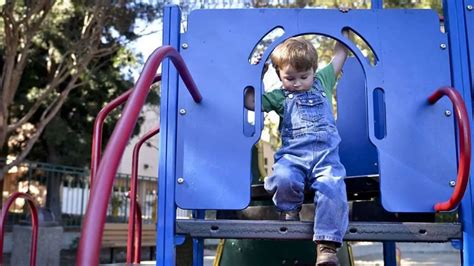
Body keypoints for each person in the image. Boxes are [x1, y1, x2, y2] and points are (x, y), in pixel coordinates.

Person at [244, 34, 349, 266]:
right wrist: (255, 74)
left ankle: (327, 247)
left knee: (334, 188)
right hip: (293, 157)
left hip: (326, 159)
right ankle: (290, 210)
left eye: (304, 76)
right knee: (282, 177)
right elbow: (251, 103)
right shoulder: (280, 96)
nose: (298, 83)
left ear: (314, 70)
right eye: (290, 78)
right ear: (279, 74)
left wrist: (345, 31)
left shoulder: (324, 79)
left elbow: (341, 54)